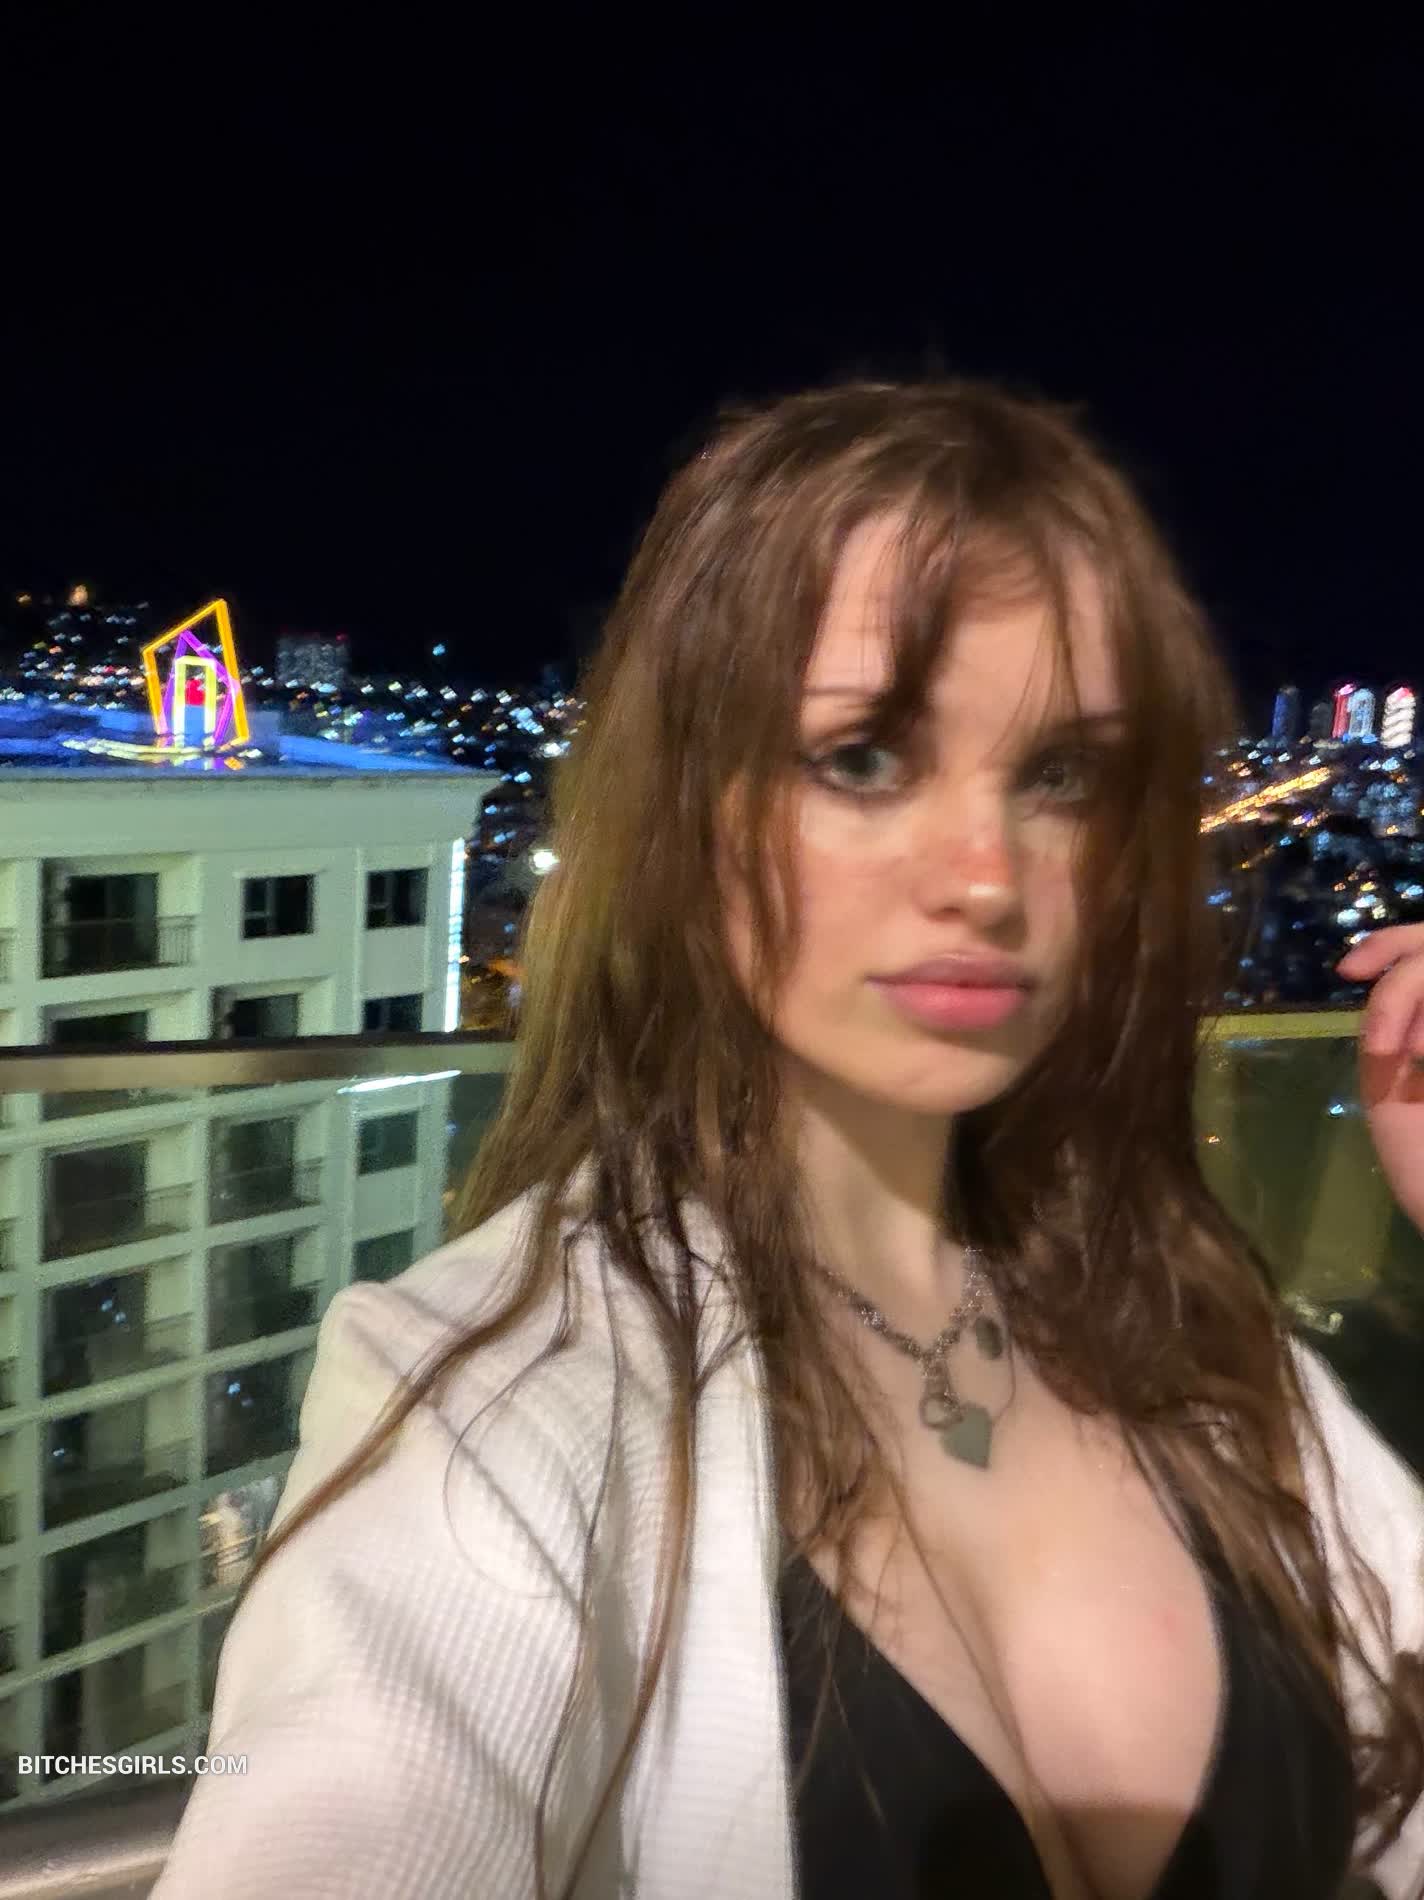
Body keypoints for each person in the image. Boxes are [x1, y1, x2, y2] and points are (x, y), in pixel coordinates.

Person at [154, 381, 1424, 1899]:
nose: (987, 877)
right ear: (689, 811)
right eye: (863, 758)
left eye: (1061, 775)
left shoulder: (1198, 1331)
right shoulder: (503, 1407)